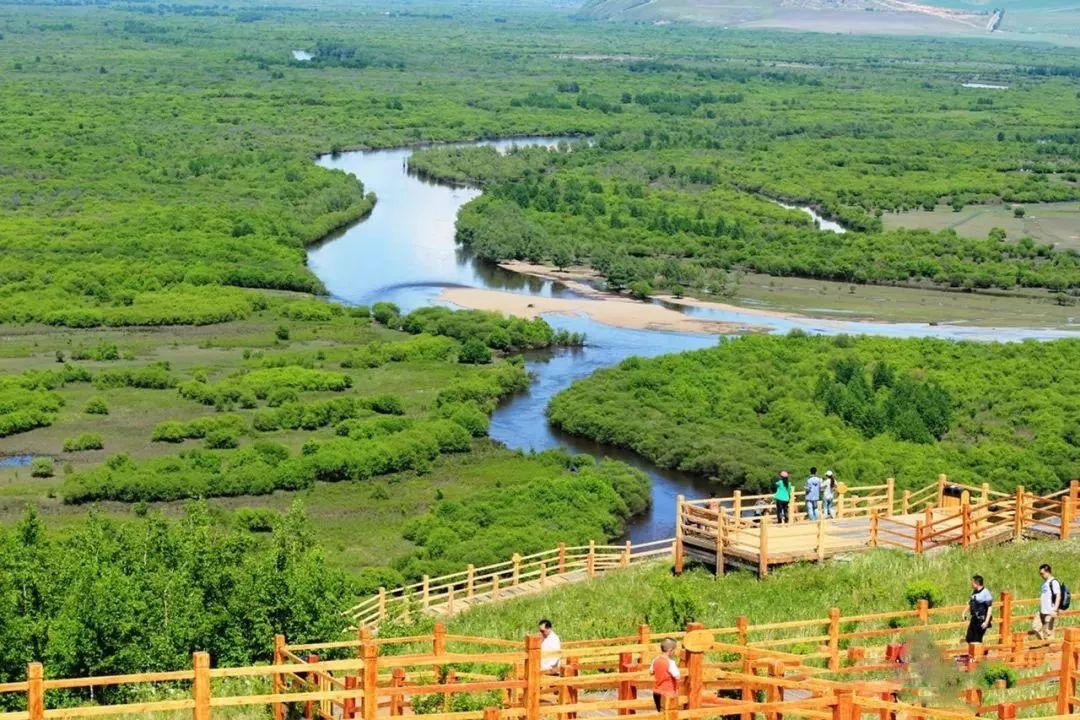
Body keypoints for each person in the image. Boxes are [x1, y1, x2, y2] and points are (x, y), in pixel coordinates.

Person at [651, 638, 681, 711]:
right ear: (670, 650)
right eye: (674, 650)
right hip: (668, 693)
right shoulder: (671, 663)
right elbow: (677, 676)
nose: (675, 652)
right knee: (669, 714)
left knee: (660, 713)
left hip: (657, 692)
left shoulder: (655, 660)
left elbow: (651, 672)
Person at [962, 575, 993, 644]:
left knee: (977, 641)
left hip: (982, 620)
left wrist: (986, 622)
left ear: (977, 583)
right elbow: (970, 603)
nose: (971, 584)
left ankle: (979, 650)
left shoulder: (986, 593)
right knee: (969, 638)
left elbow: (989, 608)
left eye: (972, 582)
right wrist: (964, 612)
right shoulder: (974, 591)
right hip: (974, 619)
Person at [1037, 564, 1062, 641]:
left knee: (1048, 632)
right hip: (1042, 610)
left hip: (1050, 611)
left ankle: (1048, 645)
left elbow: (1058, 596)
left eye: (1042, 573)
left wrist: (1054, 610)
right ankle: (1044, 643)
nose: (1041, 575)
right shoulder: (1045, 583)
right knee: (1036, 627)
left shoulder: (1054, 582)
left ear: (1048, 572)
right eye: (1040, 574)